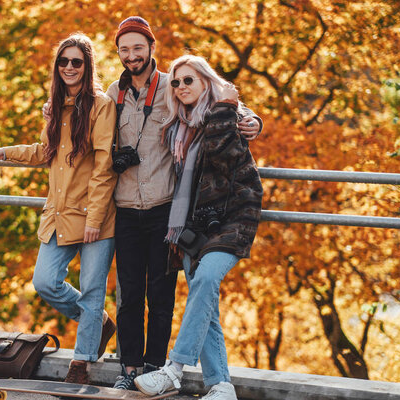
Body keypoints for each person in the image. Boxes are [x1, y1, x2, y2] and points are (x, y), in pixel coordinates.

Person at [106, 17, 263, 391]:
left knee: (189, 289)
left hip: (210, 219)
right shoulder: (170, 116)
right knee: (186, 297)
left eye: (137, 48)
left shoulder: (212, 111)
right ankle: (218, 385)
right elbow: (89, 122)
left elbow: (231, 135)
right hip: (179, 220)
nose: (179, 86)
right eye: (124, 49)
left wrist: (252, 117)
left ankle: (170, 369)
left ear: (150, 49)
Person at [0, 33, 117, 384]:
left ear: (87, 67)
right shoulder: (55, 105)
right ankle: (99, 322)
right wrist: (6, 152)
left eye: (77, 62)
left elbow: (104, 165)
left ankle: (81, 363)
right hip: (58, 213)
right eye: (64, 61)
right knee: (44, 281)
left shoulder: (102, 105)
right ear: (57, 67)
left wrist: (95, 217)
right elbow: (46, 153)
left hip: (95, 217)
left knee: (91, 289)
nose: (69, 67)